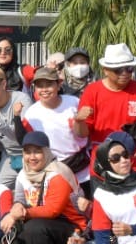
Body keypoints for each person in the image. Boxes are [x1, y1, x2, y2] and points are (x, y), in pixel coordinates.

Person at [0, 131, 86, 244]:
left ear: (46, 152)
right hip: (43, 226)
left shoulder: (58, 173)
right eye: (28, 152)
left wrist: (21, 214)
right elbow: (19, 199)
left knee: (35, 227)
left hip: (72, 227)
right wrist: (16, 208)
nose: (32, 157)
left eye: (37, 152)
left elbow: (52, 210)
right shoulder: (23, 174)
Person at [75, 43, 136, 171]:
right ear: (105, 70)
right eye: (118, 70)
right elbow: (82, 134)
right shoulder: (92, 91)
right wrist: (79, 121)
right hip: (103, 161)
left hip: (134, 160)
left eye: (129, 68)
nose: (125, 73)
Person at [22, 66, 90, 196]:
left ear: (58, 85)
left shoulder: (74, 103)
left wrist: (79, 121)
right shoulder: (31, 114)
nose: (44, 90)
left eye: (49, 85)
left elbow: (84, 134)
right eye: (40, 86)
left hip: (81, 168)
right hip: (55, 172)